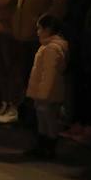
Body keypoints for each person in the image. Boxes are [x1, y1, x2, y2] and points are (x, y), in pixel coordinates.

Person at [25, 14, 69, 159]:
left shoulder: (51, 49)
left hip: (48, 94)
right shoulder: (47, 47)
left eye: (39, 28)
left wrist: (43, 94)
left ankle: (49, 146)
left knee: (48, 119)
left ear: (48, 29)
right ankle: (43, 144)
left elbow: (49, 75)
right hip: (45, 93)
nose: (37, 32)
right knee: (43, 119)